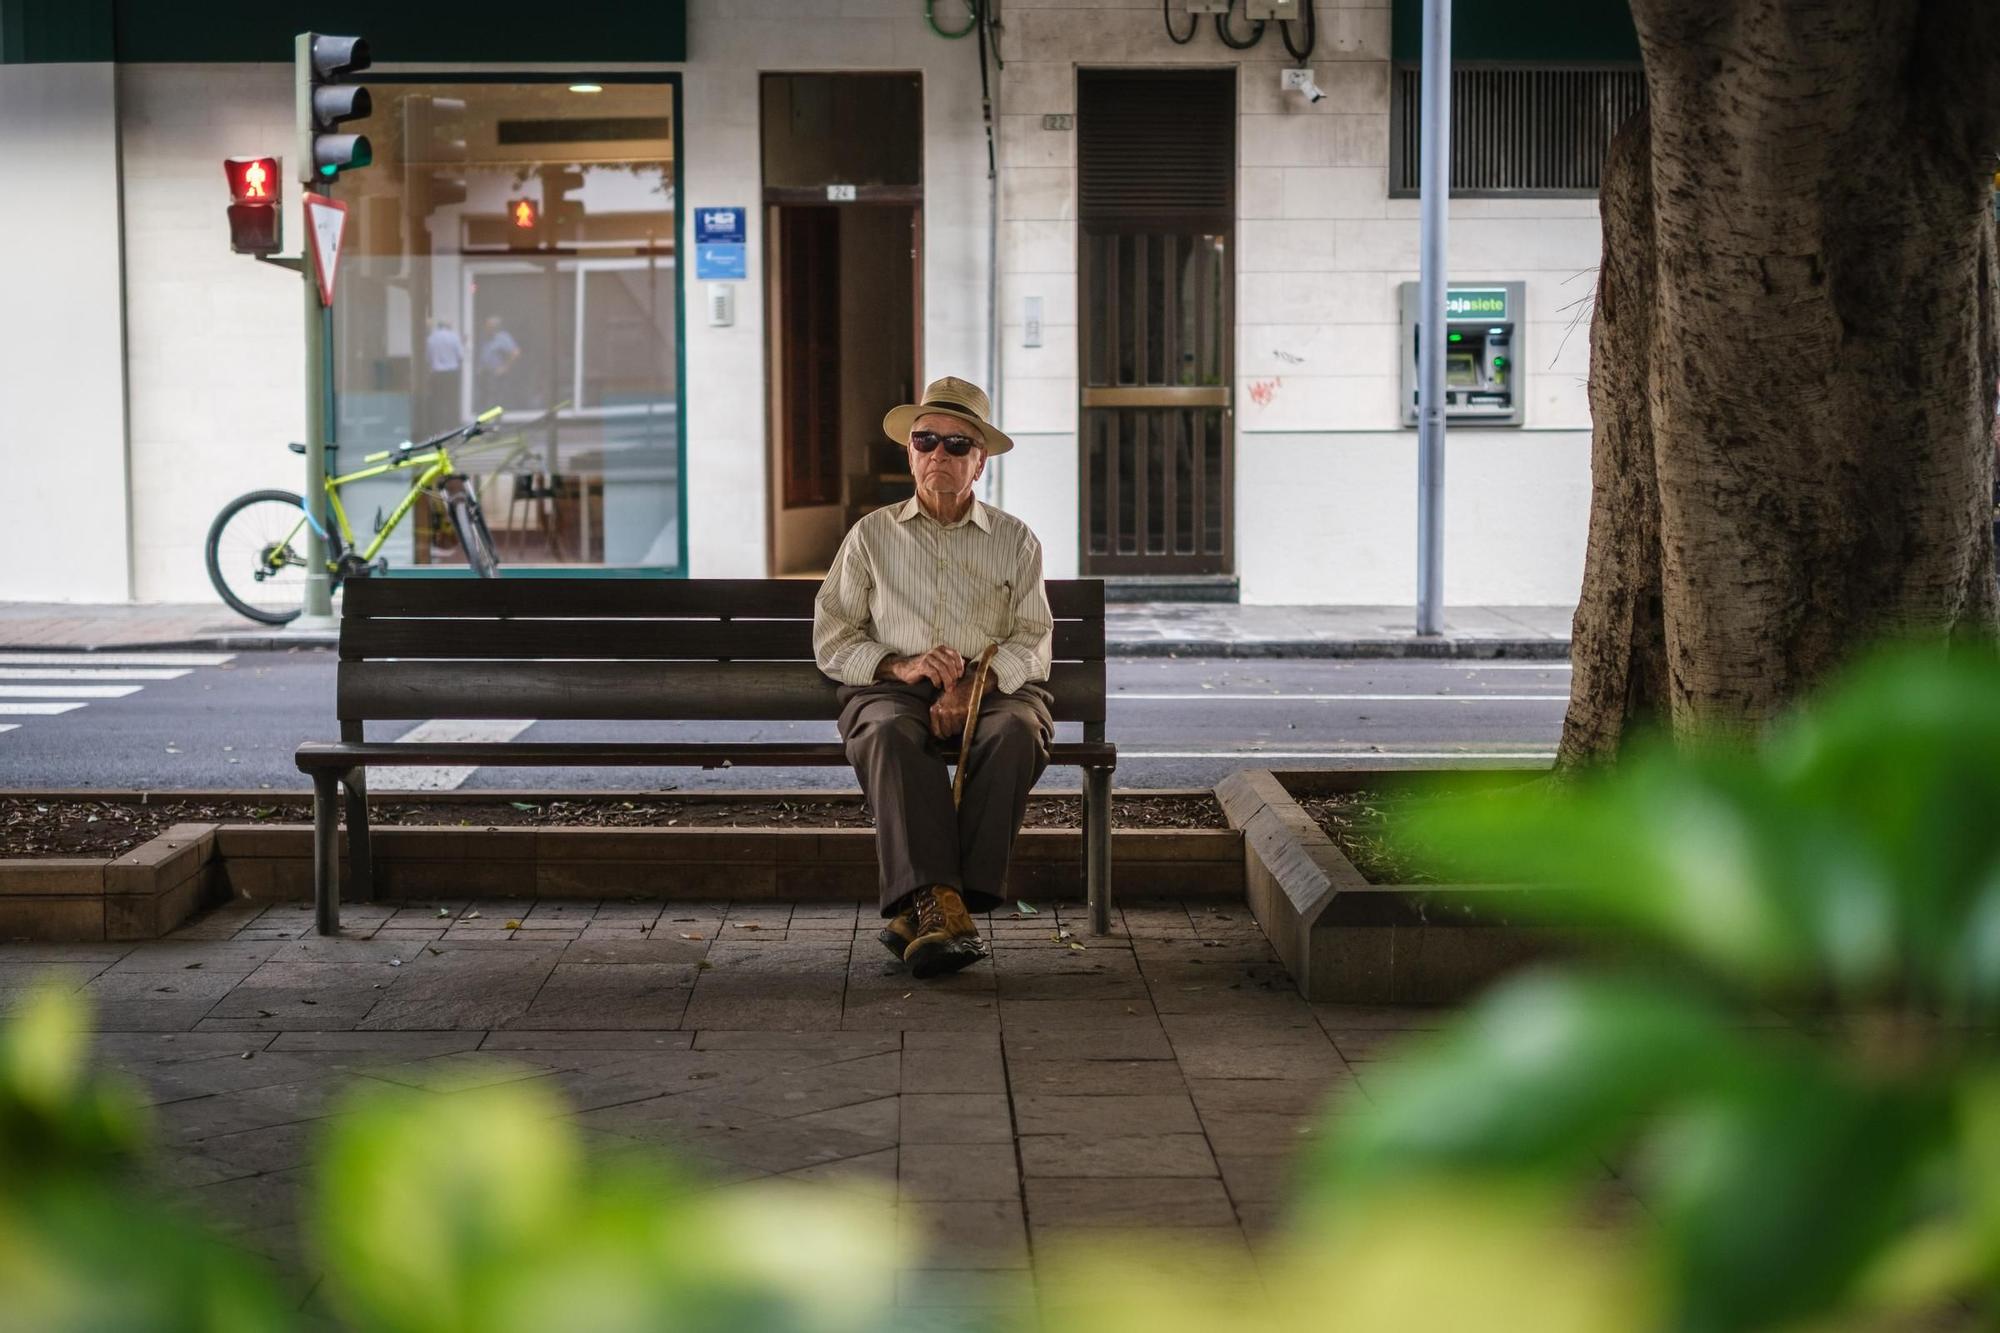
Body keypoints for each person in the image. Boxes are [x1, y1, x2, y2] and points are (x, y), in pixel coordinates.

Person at [813, 376, 1054, 979]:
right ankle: (943, 904)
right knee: (890, 735)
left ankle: (929, 904)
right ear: (910, 452)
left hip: (993, 686)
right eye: (927, 441)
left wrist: (977, 684)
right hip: (893, 687)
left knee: (1017, 734)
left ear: (980, 464)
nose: (938, 455)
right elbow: (833, 635)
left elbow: (1034, 638)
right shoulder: (871, 536)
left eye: (957, 445)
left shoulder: (1016, 541)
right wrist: (902, 665)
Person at [422, 319, 464, 436]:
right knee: (452, 402)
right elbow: (461, 356)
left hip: (437, 374)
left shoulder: (431, 339)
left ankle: (438, 430)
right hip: (452, 374)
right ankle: (453, 429)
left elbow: (428, 359)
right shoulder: (454, 337)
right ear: (448, 326)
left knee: (438, 402)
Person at [476, 316, 521, 409]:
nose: (486, 328)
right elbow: (484, 354)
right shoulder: (485, 338)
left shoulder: (503, 337)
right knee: (484, 399)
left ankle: (497, 422)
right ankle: (486, 421)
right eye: (486, 326)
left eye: (488, 326)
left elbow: (515, 352)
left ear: (495, 327)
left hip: (496, 373)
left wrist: (505, 368)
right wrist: (480, 368)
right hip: (485, 373)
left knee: (497, 400)